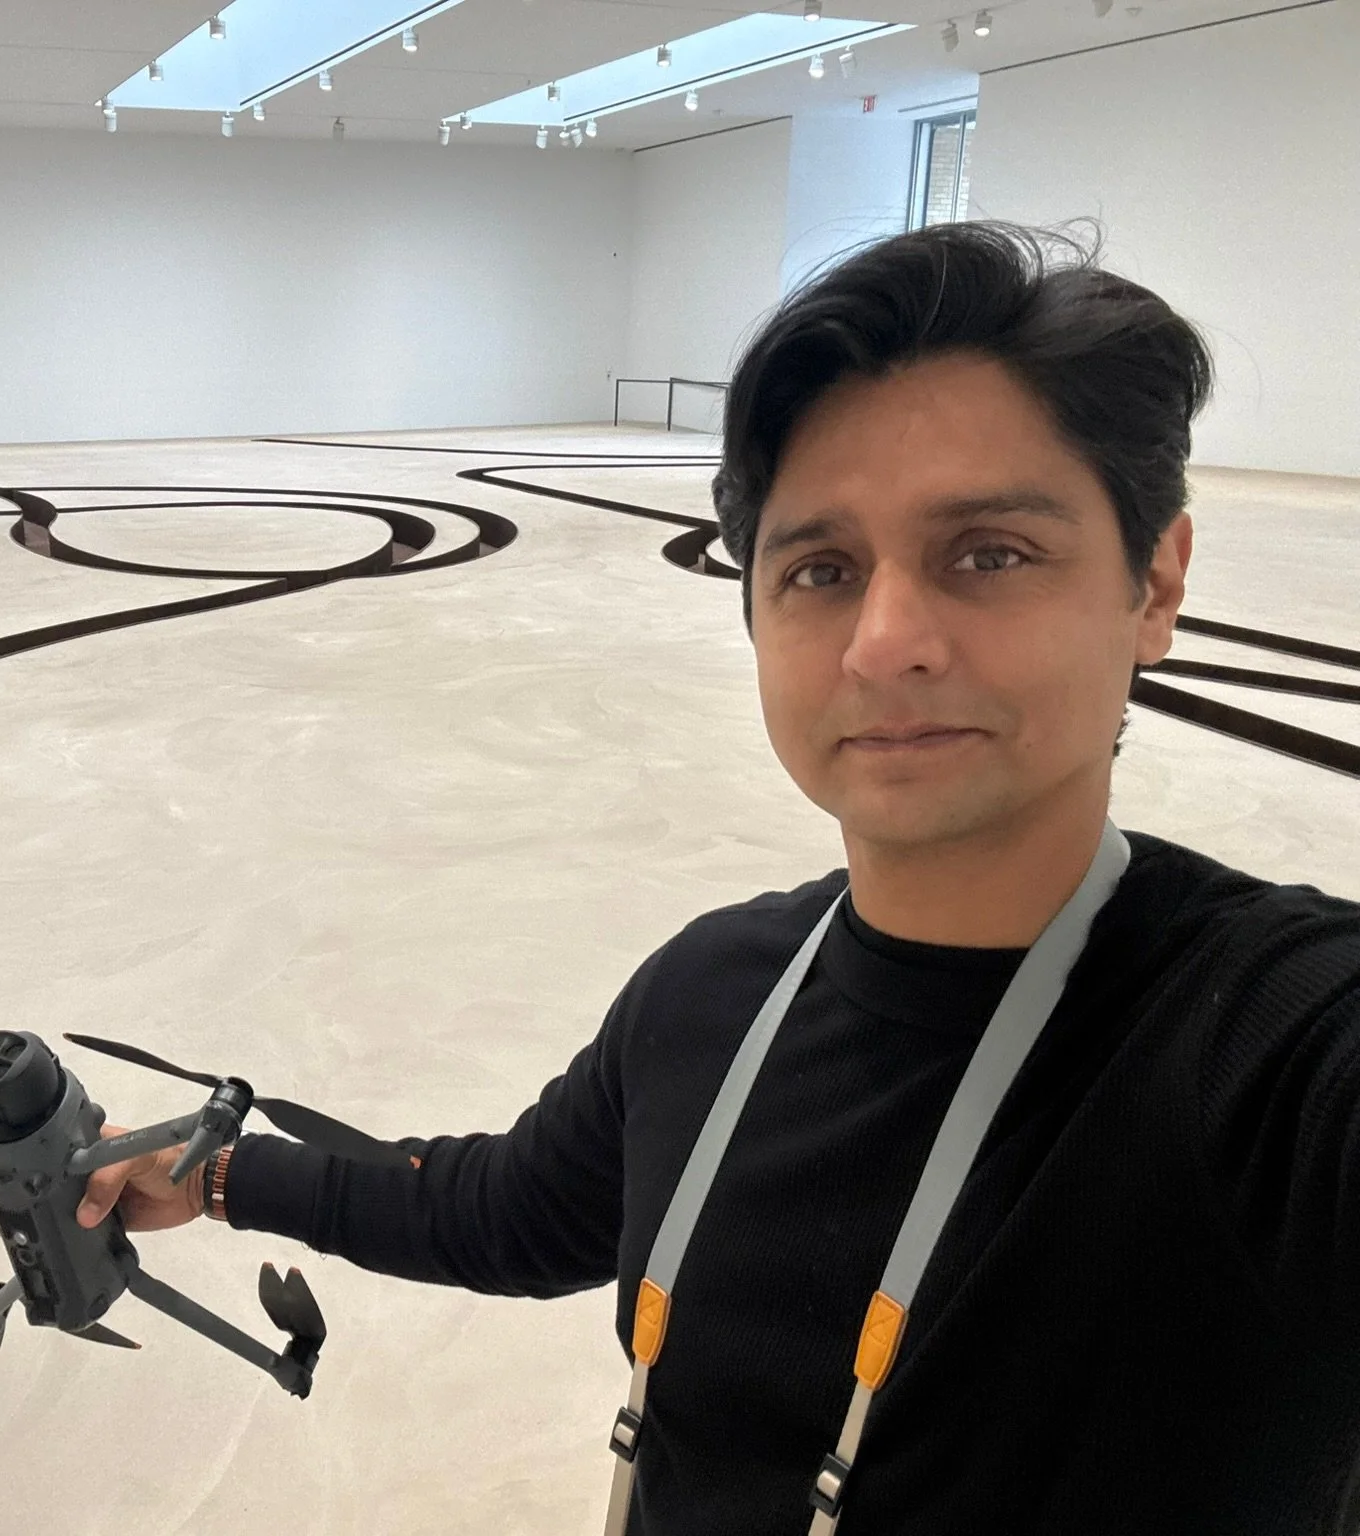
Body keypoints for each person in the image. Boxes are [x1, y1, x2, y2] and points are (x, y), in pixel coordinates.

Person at [74, 222, 1360, 1535]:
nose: (887, 642)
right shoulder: (713, 993)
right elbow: (507, 1210)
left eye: (989, 552)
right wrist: (220, 1171)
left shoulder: (1272, 1053)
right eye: (822, 569)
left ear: (1154, 584)